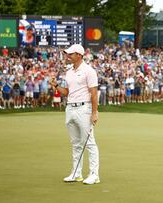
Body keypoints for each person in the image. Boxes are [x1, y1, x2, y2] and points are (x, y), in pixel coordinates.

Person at [49, 44, 100, 185]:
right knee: (76, 144)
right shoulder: (69, 71)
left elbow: (94, 93)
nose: (68, 56)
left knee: (89, 143)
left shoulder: (89, 71)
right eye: (67, 54)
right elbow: (67, 92)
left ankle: (94, 174)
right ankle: (76, 174)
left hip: (84, 109)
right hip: (70, 108)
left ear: (79, 55)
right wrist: (56, 86)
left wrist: (94, 112)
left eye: (70, 54)